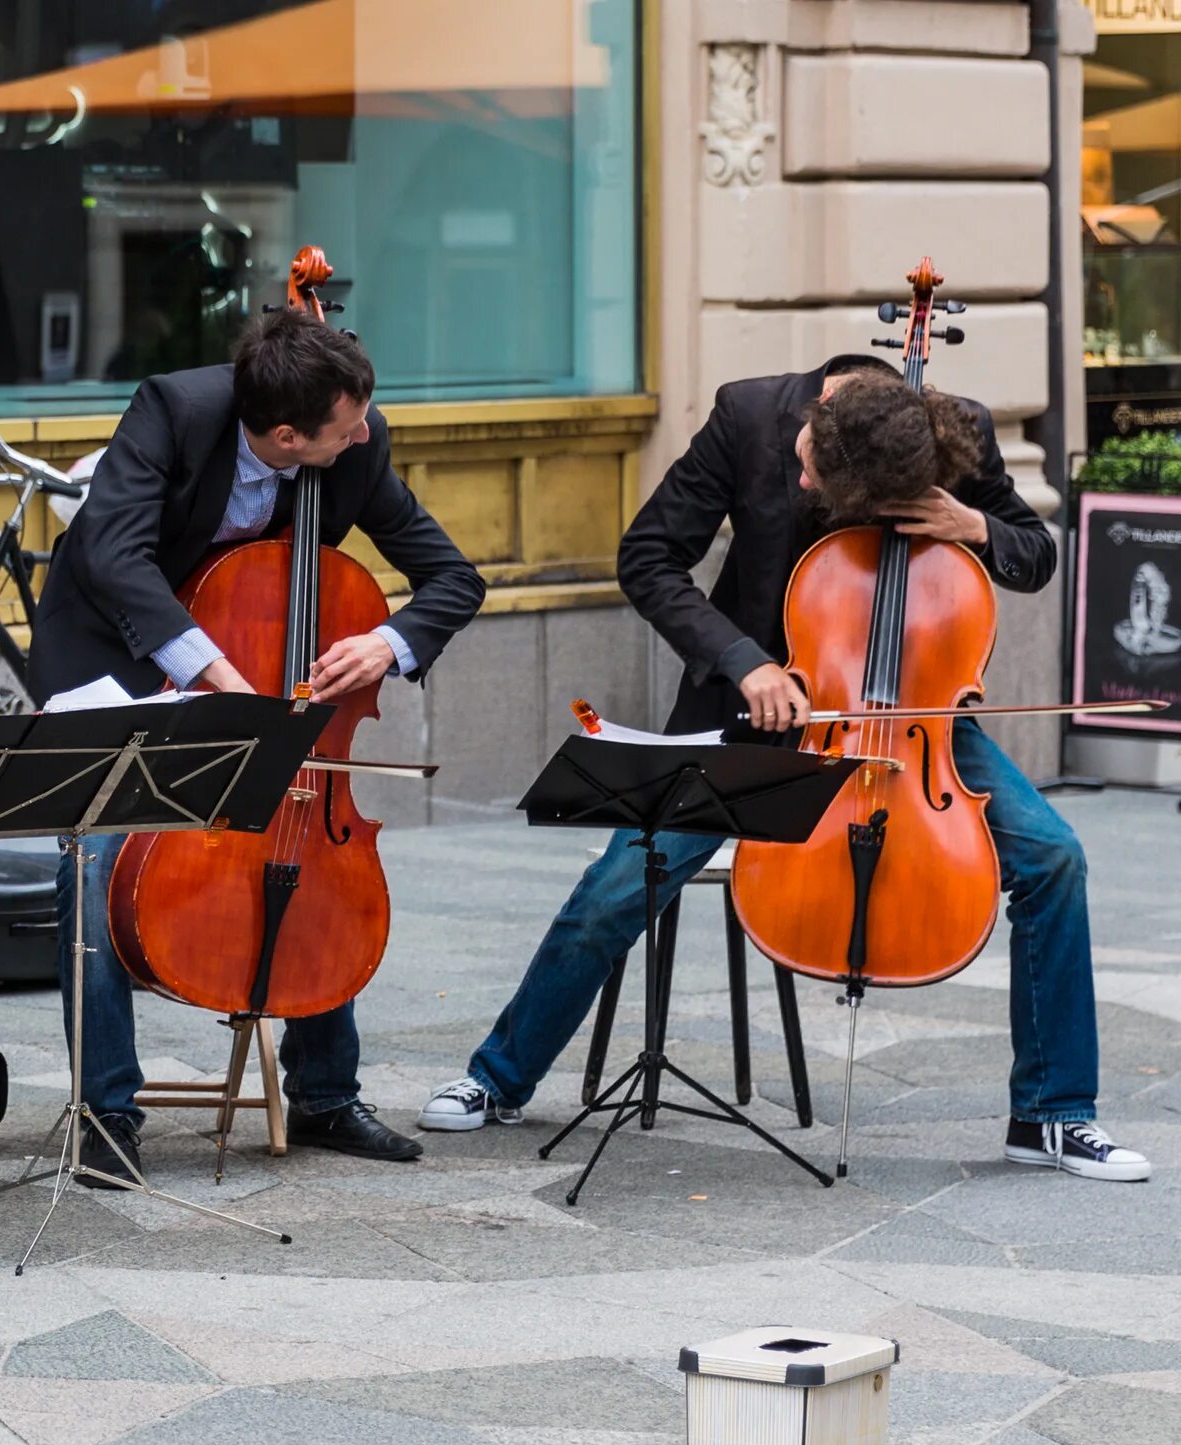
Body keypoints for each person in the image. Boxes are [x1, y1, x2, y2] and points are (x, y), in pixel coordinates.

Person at [417, 361, 1153, 1182]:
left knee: (1055, 857)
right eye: (802, 459)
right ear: (817, 413)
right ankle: (498, 1078)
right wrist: (744, 662)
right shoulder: (747, 414)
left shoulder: (958, 434)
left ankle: (1053, 1114)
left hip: (911, 715)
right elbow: (649, 558)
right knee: (626, 878)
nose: (800, 475)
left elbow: (1036, 555)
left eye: (816, 478)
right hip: (754, 707)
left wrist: (973, 526)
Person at [29, 307, 487, 1180]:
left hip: (267, 655)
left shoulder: (357, 440)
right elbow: (113, 557)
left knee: (307, 846)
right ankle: (107, 1109)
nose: (363, 439)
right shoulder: (172, 410)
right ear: (286, 433)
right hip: (122, 656)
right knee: (91, 859)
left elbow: (453, 577)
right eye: (346, 429)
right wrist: (216, 677)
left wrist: (386, 641)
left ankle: (326, 1093)